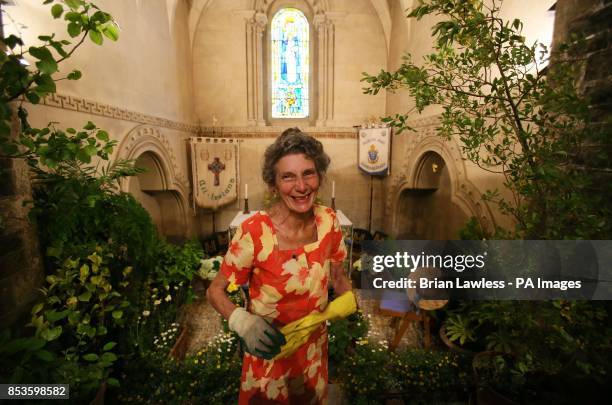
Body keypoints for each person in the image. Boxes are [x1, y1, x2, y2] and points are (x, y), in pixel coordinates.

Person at [207, 127, 354, 404]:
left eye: (308, 173)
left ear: (319, 177)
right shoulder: (254, 232)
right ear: (273, 185)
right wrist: (242, 322)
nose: (301, 186)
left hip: (312, 353)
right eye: (288, 177)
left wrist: (348, 300)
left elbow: (337, 276)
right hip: (269, 357)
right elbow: (215, 291)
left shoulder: (329, 222)